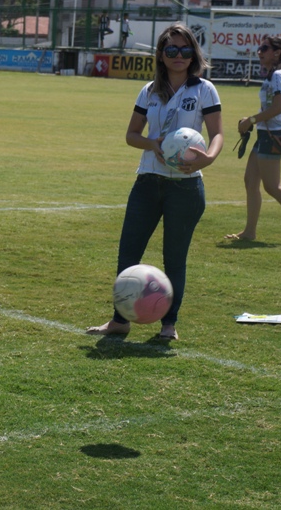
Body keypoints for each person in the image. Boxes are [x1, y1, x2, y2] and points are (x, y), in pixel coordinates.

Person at [86, 23, 223, 341]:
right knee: (127, 255)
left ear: (193, 55)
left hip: (186, 188)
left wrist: (209, 158)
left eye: (185, 50)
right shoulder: (148, 91)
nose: (179, 55)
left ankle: (168, 326)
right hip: (148, 182)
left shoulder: (204, 89)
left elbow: (216, 134)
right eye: (171, 50)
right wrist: (154, 143)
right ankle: (119, 320)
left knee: (174, 258)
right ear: (161, 55)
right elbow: (131, 135)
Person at [224, 35, 281, 244]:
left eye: (264, 48)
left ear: (277, 53)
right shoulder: (273, 75)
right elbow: (271, 108)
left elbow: (276, 108)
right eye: (259, 48)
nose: (260, 52)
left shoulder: (278, 75)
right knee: (250, 181)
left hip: (272, 134)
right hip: (264, 134)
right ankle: (249, 231)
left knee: (273, 186)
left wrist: (251, 120)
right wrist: (252, 120)